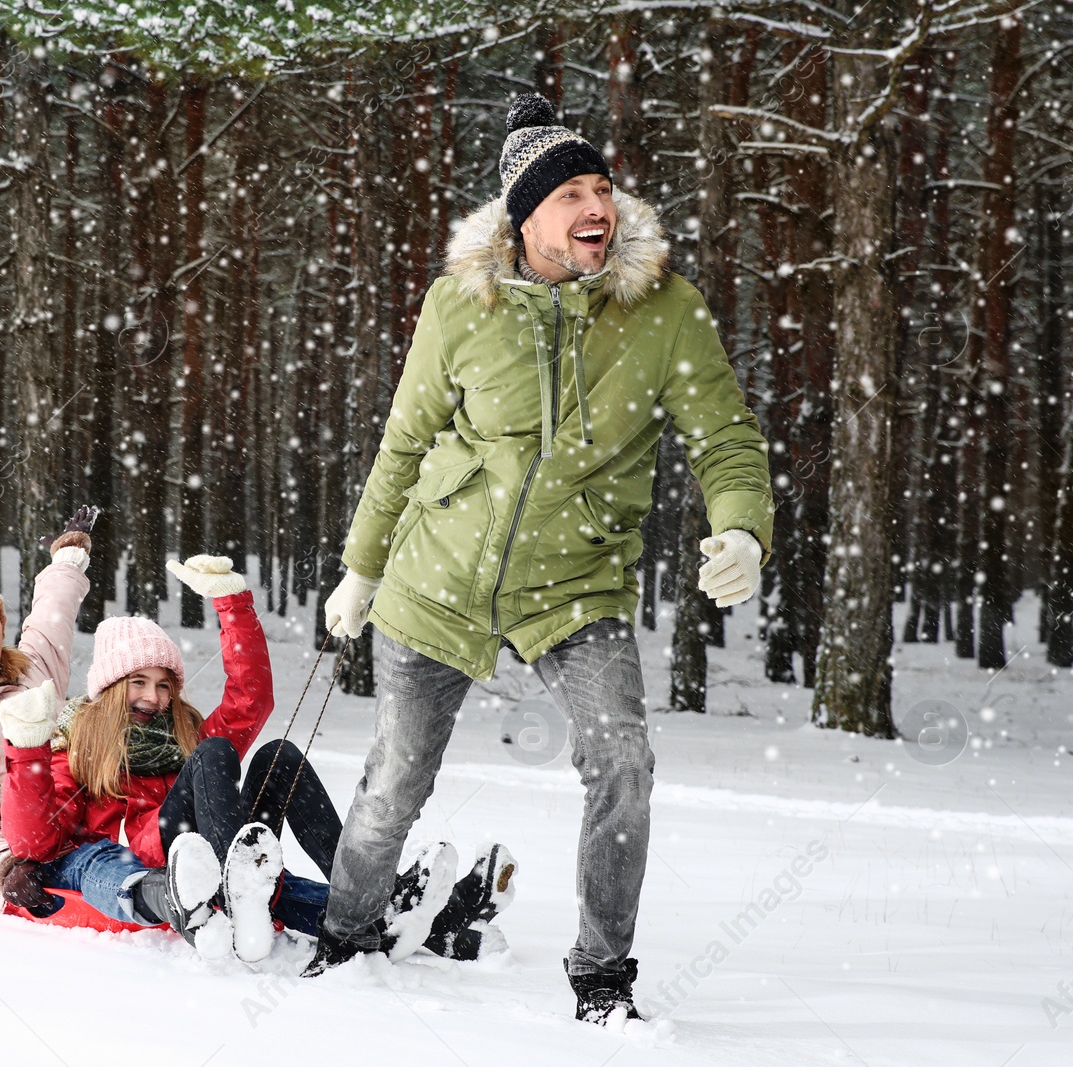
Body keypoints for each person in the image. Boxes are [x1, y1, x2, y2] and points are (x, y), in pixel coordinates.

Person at [306, 93, 774, 1024]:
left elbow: (726, 435)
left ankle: (602, 976)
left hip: (576, 581)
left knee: (623, 763)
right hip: (437, 575)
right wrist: (362, 566)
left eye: (604, 188)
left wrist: (743, 526)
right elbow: (405, 441)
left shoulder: (663, 310)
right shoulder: (460, 304)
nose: (597, 206)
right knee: (397, 774)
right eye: (572, 193)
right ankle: (347, 937)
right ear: (526, 217)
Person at [0, 554, 518, 964]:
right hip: (163, 858)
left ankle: (391, 899)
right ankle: (240, 885)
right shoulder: (81, 745)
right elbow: (34, 840)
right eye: (138, 682)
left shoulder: (184, 734)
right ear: (110, 688)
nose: (153, 698)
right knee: (218, 756)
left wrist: (233, 604)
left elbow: (252, 699)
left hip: (229, 853)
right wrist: (27, 745)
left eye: (163, 686)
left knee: (276, 757)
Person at [0, 508, 219, 939]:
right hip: (33, 869)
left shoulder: (27, 676)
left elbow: (52, 618)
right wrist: (2, 865)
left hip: (96, 833)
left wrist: (67, 560)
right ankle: (161, 897)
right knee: (100, 872)